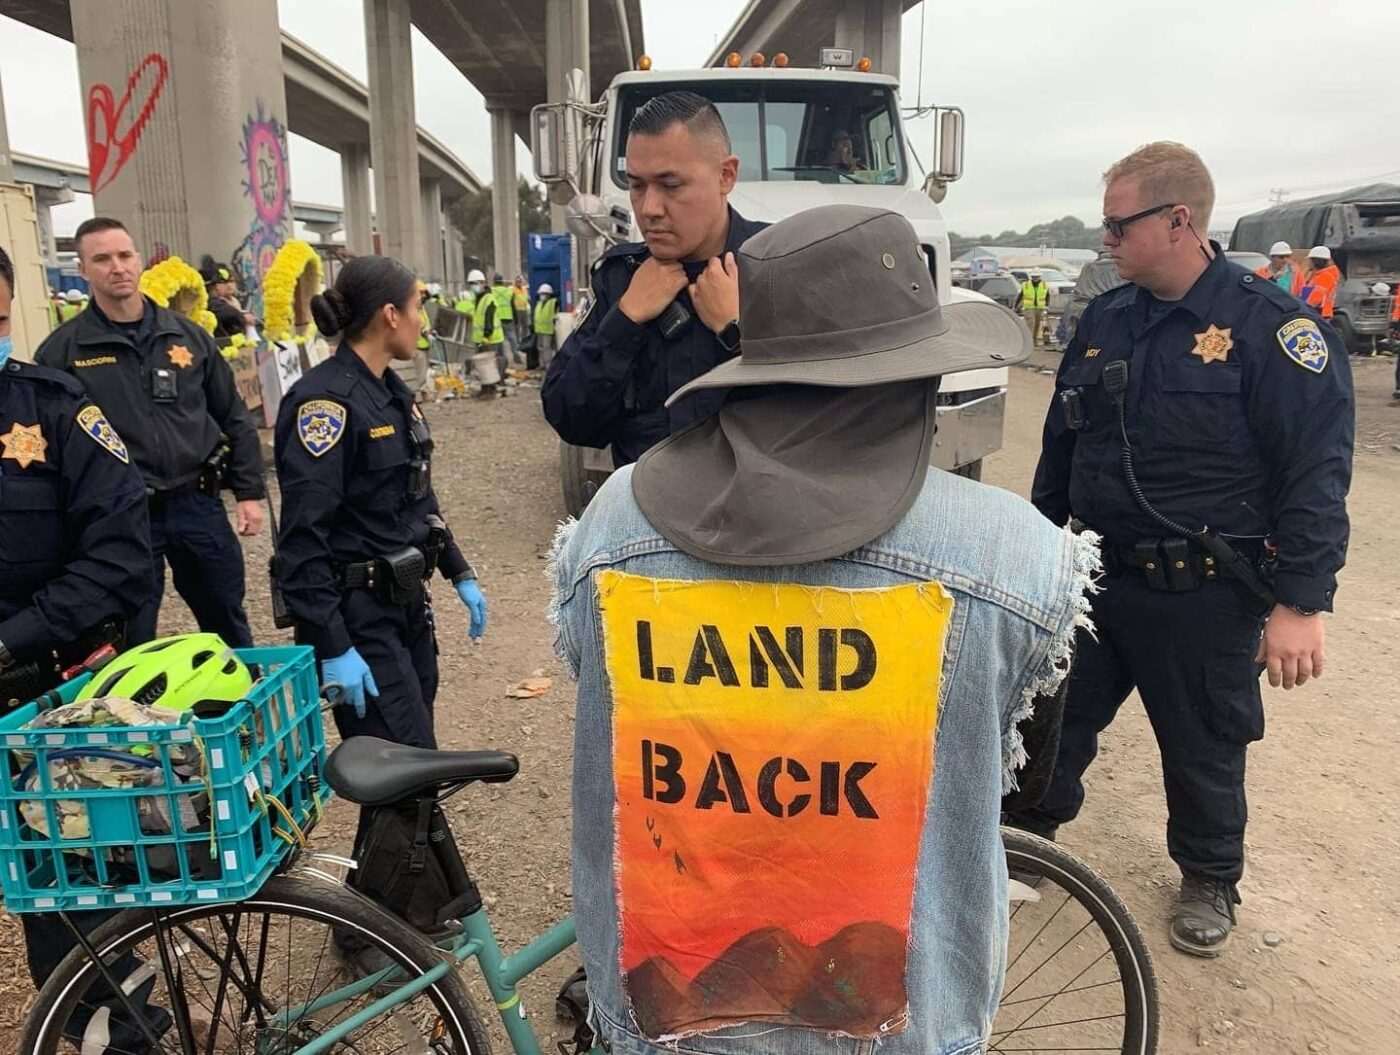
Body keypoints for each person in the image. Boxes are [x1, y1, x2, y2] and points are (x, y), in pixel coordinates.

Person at [550, 204, 1088, 1054]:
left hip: (667, 1025)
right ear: (918, 377)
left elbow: (605, 705)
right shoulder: (1015, 555)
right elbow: (1019, 787)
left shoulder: (614, 525)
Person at [1006, 141, 1354, 957]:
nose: (1107, 242)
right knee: (1051, 718)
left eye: (1119, 225)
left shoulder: (1274, 329)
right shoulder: (1106, 315)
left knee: (1203, 740)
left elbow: (1315, 471)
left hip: (1202, 589)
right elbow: (1066, 444)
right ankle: (1027, 839)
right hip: (1094, 576)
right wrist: (1040, 545)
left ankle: (1208, 874)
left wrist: (1300, 601)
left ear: (1179, 220)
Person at [0, 243, 161, 1052]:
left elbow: (123, 555)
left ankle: (114, 1029)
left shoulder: (54, 407)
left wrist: (11, 639)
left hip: (45, 693)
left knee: (71, 886)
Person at [275, 253, 487, 760]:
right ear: (390, 315)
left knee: (407, 771)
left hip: (407, 606)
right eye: (418, 306)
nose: (423, 321)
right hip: (359, 621)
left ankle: (398, 843)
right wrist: (334, 646)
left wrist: (458, 571)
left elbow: (417, 496)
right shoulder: (324, 405)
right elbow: (302, 541)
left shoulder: (391, 393)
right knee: (404, 772)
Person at [36, 217, 265, 648]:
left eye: (124, 255)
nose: (117, 267)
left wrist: (249, 492)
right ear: (83, 270)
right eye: (101, 259)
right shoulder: (62, 353)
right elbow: (53, 447)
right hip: (122, 513)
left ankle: (240, 707)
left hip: (197, 503)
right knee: (130, 632)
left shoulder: (189, 337)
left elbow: (232, 415)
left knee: (226, 621)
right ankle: (144, 714)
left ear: (138, 260)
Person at [542, 90, 768, 466]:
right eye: (636, 185)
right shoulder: (621, 280)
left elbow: (824, 424)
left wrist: (737, 332)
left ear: (726, 175)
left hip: (753, 517)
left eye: (670, 185)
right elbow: (571, 419)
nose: (649, 209)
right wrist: (626, 319)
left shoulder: (779, 265)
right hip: (643, 517)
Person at [469, 268, 507, 395]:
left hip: (490, 338)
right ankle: (486, 387)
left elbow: (489, 318)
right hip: (481, 338)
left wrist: (486, 335)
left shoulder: (488, 298)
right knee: (482, 365)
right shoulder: (479, 298)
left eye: (475, 283)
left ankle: (492, 388)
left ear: (482, 283)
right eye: (471, 284)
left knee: (490, 364)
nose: (473, 287)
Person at [202, 259, 250, 340]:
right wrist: (243, 317)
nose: (229, 285)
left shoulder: (234, 301)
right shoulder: (211, 303)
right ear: (213, 286)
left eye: (231, 281)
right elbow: (228, 313)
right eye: (223, 282)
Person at [1298, 244, 1341, 320]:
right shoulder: (1317, 275)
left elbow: (1316, 299)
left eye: (1310, 260)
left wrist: (1303, 310)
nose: (1308, 263)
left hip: (1319, 314)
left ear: (1315, 261)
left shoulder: (1325, 276)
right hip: (1315, 313)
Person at [490, 271, 516, 364]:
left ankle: (500, 357)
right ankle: (516, 355)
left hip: (497, 318)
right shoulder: (508, 291)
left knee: (499, 338)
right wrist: (515, 318)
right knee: (512, 337)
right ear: (502, 281)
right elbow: (513, 305)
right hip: (508, 317)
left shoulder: (491, 291)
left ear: (494, 281)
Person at [533, 282, 559, 370]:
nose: (542, 295)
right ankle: (542, 364)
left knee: (546, 348)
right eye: (541, 294)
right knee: (540, 348)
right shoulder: (539, 303)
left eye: (544, 294)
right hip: (539, 329)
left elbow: (556, 314)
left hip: (548, 330)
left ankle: (548, 366)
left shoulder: (553, 302)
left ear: (549, 294)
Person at [1020, 269, 1050, 346]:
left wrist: (1047, 305)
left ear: (1039, 276)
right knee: (1030, 324)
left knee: (1037, 325)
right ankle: (1029, 342)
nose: (1035, 278)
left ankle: (1034, 340)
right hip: (1029, 308)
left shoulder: (1044, 285)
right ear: (1031, 277)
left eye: (1036, 276)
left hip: (1040, 308)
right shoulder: (1026, 285)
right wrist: (1015, 306)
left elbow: (1047, 296)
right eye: (1034, 276)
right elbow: (1020, 295)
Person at [511, 274, 531, 356]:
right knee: (517, 327)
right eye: (518, 281)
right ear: (515, 282)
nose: (519, 282)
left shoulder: (524, 289)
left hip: (524, 309)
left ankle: (524, 341)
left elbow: (527, 298)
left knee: (525, 326)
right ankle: (518, 342)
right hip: (517, 310)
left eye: (520, 281)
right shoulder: (513, 290)